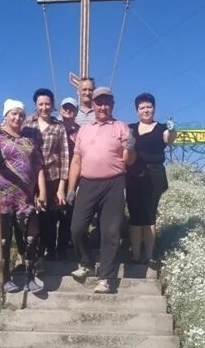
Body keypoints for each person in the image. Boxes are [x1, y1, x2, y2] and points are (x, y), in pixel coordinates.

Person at [67, 86, 136, 294]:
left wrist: (131, 148)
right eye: (99, 102)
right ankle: (86, 264)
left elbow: (129, 161)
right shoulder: (84, 130)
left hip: (113, 183)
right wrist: (71, 188)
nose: (102, 106)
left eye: (107, 102)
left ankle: (105, 278)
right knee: (76, 228)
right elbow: (77, 160)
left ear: (112, 105)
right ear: (93, 105)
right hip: (87, 183)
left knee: (111, 232)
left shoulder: (122, 127)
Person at [0, 99, 47, 293]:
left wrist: (42, 190)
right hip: (2, 197)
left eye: (21, 114)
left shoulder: (29, 139)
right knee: (4, 239)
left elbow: (38, 166)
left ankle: (30, 277)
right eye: (13, 113)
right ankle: (5, 278)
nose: (17, 117)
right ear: (6, 116)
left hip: (25, 197)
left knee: (31, 236)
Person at [125, 93, 176, 265]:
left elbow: (169, 140)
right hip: (133, 176)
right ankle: (135, 255)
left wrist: (172, 130)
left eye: (149, 107)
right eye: (142, 107)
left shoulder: (161, 127)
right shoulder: (130, 128)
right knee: (134, 215)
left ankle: (149, 256)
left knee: (149, 214)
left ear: (154, 108)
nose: (146, 110)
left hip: (154, 175)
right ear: (137, 111)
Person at [24, 88, 70, 262]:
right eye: (40, 104)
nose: (44, 107)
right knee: (33, 216)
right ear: (35, 105)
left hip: (52, 177)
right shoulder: (27, 125)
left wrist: (61, 187)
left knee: (50, 217)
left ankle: (50, 253)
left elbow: (65, 156)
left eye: (47, 104)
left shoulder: (58, 127)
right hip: (31, 178)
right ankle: (34, 253)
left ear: (52, 105)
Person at [58, 96, 80, 258]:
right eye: (65, 108)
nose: (68, 111)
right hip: (54, 177)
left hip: (72, 178)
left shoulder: (81, 132)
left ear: (76, 112)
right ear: (60, 110)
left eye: (71, 108)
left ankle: (64, 248)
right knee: (51, 215)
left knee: (69, 213)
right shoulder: (53, 127)